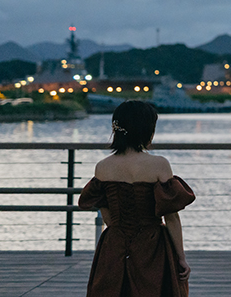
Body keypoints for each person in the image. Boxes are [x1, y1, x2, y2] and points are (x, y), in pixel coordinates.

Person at [78, 100, 195, 297]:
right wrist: (181, 257)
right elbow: (172, 217)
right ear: (146, 130)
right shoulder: (159, 165)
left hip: (114, 244)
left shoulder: (103, 167)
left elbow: (108, 217)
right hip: (153, 244)